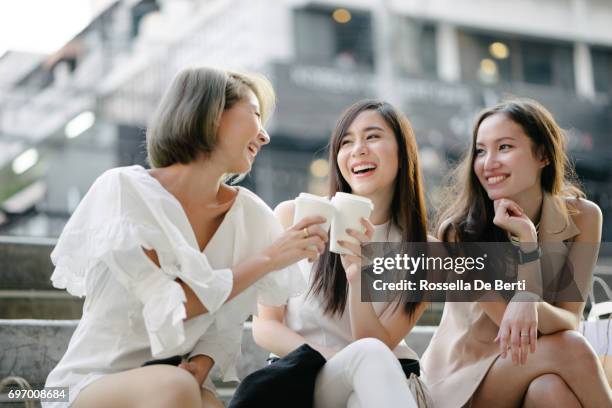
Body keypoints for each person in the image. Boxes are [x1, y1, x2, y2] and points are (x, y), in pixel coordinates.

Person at [43, 67, 327, 408]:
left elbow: (224, 321)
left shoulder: (250, 215)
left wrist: (203, 362)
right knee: (176, 387)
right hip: (84, 385)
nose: (264, 135)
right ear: (210, 114)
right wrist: (269, 258)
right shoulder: (124, 190)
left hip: (172, 383)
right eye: (254, 114)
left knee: (203, 400)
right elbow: (173, 305)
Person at [421, 98, 612, 407]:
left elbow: (570, 318)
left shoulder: (584, 217)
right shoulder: (459, 232)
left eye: (505, 147)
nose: (488, 162)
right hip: (462, 383)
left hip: (536, 368)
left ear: (544, 156)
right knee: (571, 347)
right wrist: (528, 249)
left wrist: (531, 300)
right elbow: (514, 327)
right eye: (481, 151)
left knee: (549, 391)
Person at [252, 99, 432, 408]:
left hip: (378, 379)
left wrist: (357, 277)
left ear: (403, 153)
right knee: (367, 362)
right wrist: (337, 359)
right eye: (346, 142)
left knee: (361, 394)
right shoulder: (294, 216)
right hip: (303, 375)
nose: (358, 149)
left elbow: (377, 342)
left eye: (373, 137)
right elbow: (265, 326)